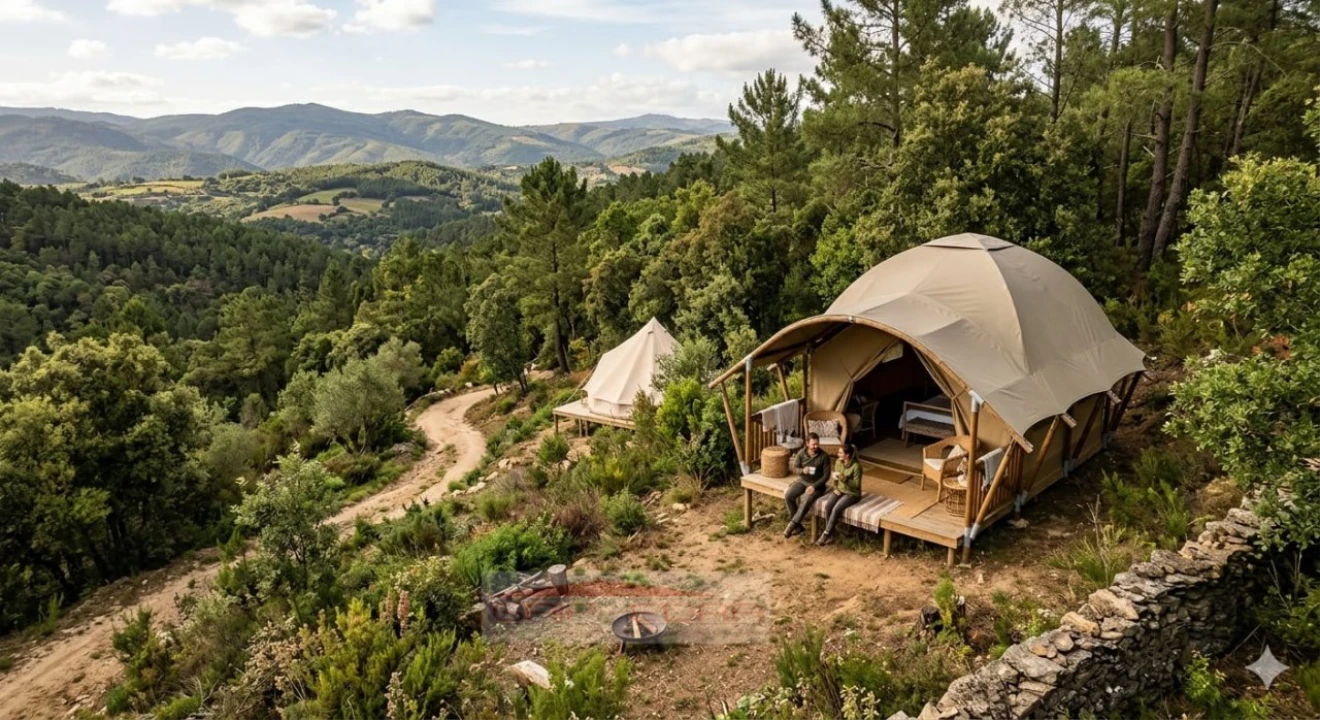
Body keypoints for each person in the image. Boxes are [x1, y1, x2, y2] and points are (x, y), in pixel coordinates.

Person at [783, 433, 831, 538]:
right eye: (813, 444)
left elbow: (826, 476)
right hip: (803, 481)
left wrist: (814, 486)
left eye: (817, 444)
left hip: (817, 485)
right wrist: (802, 471)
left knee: (806, 500)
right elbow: (795, 468)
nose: (816, 446)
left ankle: (793, 524)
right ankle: (798, 527)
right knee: (788, 495)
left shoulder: (824, 456)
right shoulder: (801, 453)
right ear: (807, 444)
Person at [816, 443, 863, 546]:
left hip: (852, 493)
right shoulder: (838, 462)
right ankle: (831, 535)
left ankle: (826, 533)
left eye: (840, 453)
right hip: (840, 490)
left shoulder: (856, 466)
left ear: (847, 455)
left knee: (836, 509)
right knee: (828, 506)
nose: (838, 454)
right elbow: (835, 477)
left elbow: (856, 485)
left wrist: (844, 478)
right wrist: (836, 488)